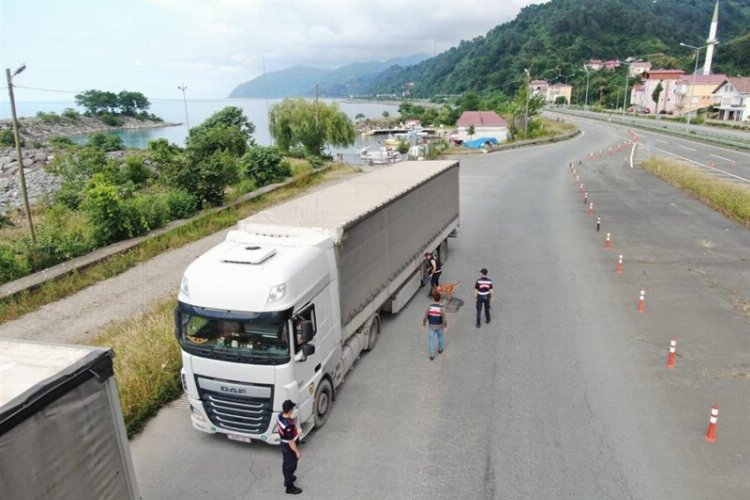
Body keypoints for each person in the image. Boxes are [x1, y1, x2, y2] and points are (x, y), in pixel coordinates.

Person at [276, 400, 302, 495]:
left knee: (286, 464)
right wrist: (297, 452)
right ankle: (289, 487)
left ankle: (287, 479)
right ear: (290, 410)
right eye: (292, 408)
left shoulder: (279, 416)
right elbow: (291, 442)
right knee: (291, 466)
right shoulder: (289, 426)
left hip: (283, 444)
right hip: (289, 446)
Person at [422, 290, 447, 360]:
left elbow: (426, 316)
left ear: (434, 299)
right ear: (439, 299)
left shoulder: (429, 307)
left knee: (431, 341)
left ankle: (432, 355)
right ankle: (440, 349)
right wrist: (445, 324)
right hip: (439, 326)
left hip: (431, 326)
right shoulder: (442, 308)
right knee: (440, 337)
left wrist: (424, 323)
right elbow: (444, 318)